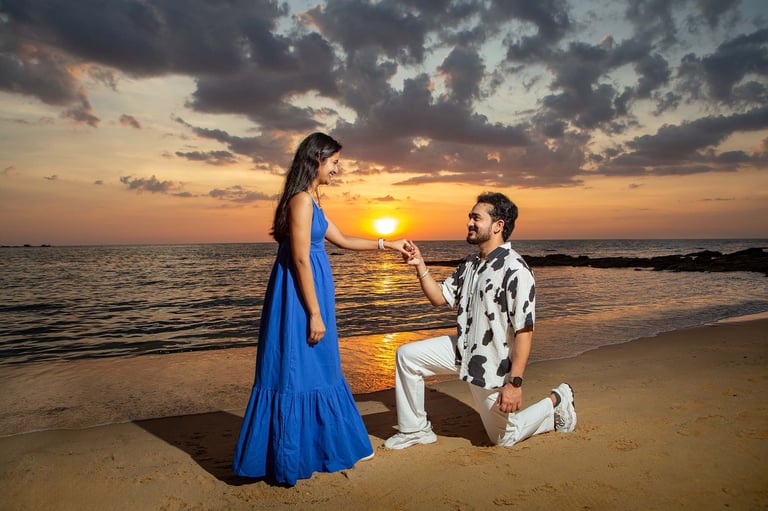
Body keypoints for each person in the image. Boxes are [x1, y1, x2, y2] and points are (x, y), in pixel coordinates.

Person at [233, 132, 411, 485]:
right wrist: (314, 312)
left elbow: (343, 240)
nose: (337, 170)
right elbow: (300, 258)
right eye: (334, 163)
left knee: (319, 370)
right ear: (316, 160)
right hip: (299, 299)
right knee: (296, 371)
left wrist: (388, 245)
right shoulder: (299, 201)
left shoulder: (312, 201)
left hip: (312, 295)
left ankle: (318, 447)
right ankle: (289, 457)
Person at [385, 192, 576, 450]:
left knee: (504, 438)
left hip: (493, 364)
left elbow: (524, 331)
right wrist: (420, 265)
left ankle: (557, 399)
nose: (470, 223)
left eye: (476, 217)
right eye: (469, 217)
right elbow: (439, 297)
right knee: (408, 356)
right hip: (462, 350)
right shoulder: (470, 264)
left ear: (498, 225)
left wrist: (514, 384)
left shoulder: (516, 269)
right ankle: (416, 429)